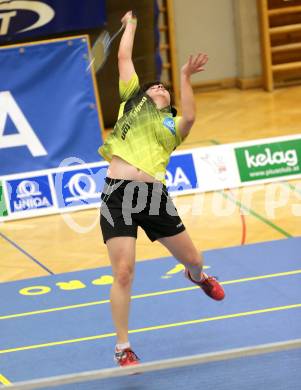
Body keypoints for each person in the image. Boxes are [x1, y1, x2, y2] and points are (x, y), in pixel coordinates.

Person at [99, 10, 225, 367]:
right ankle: (123, 347)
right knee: (123, 272)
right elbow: (124, 57)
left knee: (195, 260)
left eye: (164, 87)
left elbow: (191, 117)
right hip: (118, 194)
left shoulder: (172, 129)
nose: (158, 86)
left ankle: (196, 277)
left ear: (169, 101)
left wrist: (184, 75)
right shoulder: (131, 101)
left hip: (154, 199)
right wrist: (133, 25)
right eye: (154, 84)